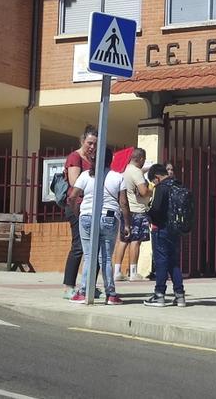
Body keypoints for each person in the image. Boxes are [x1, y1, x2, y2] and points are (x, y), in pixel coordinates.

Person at [71, 148, 131, 305]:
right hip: (109, 217)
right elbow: (124, 203)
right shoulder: (118, 177)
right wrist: (127, 224)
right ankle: (111, 294)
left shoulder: (85, 175)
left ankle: (83, 292)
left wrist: (78, 212)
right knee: (106, 258)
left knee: (89, 256)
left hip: (87, 216)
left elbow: (72, 197)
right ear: (110, 160)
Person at [62, 125, 98, 299]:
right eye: (90, 143)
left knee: (94, 248)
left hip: (91, 207)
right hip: (76, 206)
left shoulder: (93, 160)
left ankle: (89, 285)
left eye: (95, 144)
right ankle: (69, 286)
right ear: (82, 140)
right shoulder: (75, 157)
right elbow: (74, 182)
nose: (92, 147)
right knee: (78, 246)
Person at [144, 163, 186, 307]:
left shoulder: (161, 188)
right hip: (175, 229)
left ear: (156, 177)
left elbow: (156, 209)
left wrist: (147, 212)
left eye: (153, 181)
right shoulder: (178, 185)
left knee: (161, 261)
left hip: (160, 228)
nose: (153, 184)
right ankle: (180, 295)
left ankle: (159, 294)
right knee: (173, 262)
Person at [113, 148, 151, 281]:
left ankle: (117, 271)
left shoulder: (125, 170)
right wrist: (151, 189)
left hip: (126, 211)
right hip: (138, 210)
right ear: (141, 159)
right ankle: (133, 272)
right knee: (136, 241)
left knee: (123, 240)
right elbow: (143, 191)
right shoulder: (136, 172)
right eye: (144, 159)